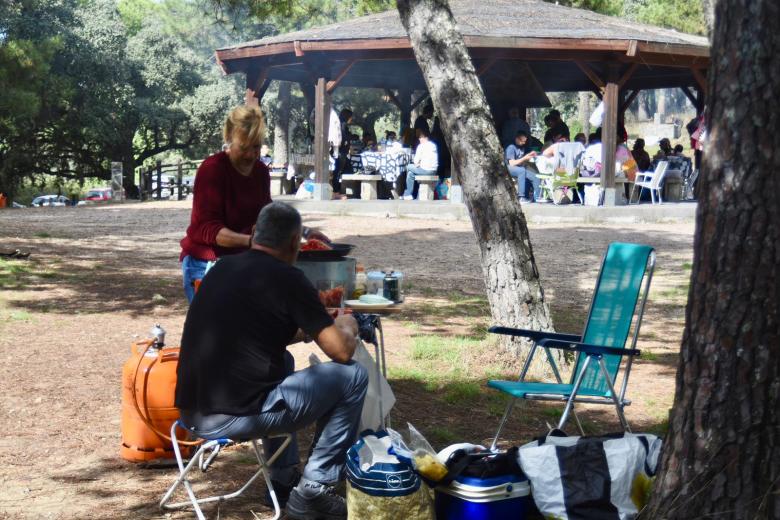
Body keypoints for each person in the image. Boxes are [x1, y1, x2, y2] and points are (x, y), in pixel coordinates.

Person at [176, 202, 367, 520]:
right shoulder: (288, 278)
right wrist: (347, 326)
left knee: (284, 362)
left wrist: (308, 331)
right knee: (353, 377)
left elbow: (257, 333)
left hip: (190, 411)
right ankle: (314, 491)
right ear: (296, 243)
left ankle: (282, 479)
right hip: (231, 417)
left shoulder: (222, 269)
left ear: (253, 234)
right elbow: (341, 352)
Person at [180, 106, 328, 303]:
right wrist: (251, 241)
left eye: (256, 147)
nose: (251, 155)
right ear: (229, 139)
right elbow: (207, 228)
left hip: (245, 263)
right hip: (206, 263)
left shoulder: (260, 171)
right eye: (244, 147)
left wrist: (304, 231)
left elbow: (267, 214)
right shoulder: (212, 169)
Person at [402, 128, 438, 200]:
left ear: (423, 138)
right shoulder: (433, 145)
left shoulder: (421, 146)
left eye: (420, 138)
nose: (419, 140)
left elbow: (415, 161)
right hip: (434, 170)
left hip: (425, 170)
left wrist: (418, 164)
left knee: (408, 167)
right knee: (410, 174)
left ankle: (408, 193)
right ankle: (410, 194)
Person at [505, 131, 541, 202]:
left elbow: (522, 160)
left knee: (535, 176)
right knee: (521, 171)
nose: (524, 143)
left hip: (519, 167)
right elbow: (512, 163)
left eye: (525, 141)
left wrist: (531, 154)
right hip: (509, 168)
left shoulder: (522, 147)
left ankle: (538, 197)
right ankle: (521, 197)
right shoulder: (511, 147)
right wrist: (524, 158)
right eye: (522, 141)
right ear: (517, 139)